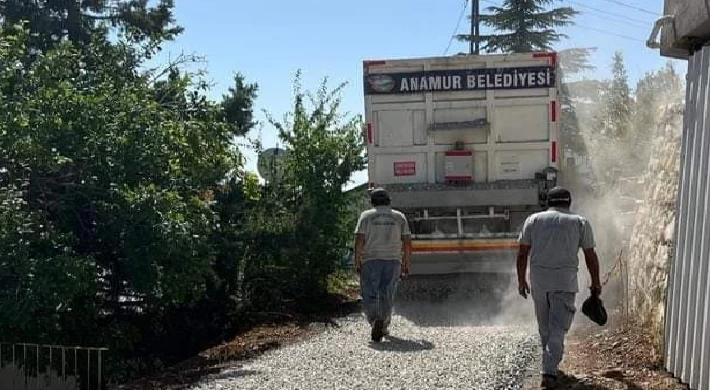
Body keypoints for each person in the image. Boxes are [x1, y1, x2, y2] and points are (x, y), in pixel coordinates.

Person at [516, 187, 602, 389]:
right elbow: (591, 257)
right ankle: (549, 373)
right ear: (569, 202)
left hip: (539, 281)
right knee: (557, 328)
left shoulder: (533, 220)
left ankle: (549, 365)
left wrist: (521, 280)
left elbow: (522, 254)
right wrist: (596, 282)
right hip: (564, 283)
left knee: (544, 326)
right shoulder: (580, 222)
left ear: (549, 202)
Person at [354, 188, 412, 342]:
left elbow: (359, 239)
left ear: (372, 201)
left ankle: (374, 321)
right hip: (393, 261)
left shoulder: (366, 216)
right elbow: (406, 241)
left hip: (371, 260)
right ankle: (384, 324)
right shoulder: (399, 217)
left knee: (369, 293)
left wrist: (357, 261)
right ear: (388, 201)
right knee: (387, 293)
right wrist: (407, 262)